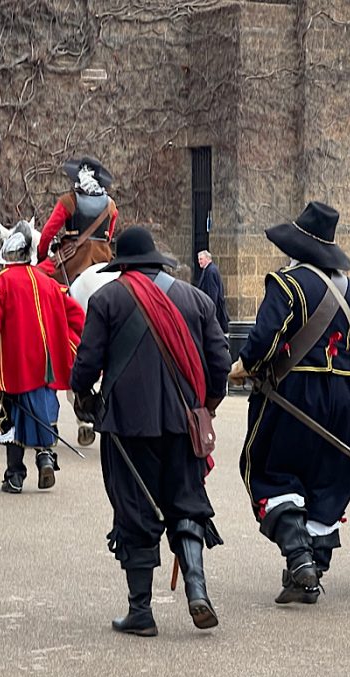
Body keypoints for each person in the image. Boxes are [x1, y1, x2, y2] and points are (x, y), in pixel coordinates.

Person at [71, 226, 231, 636]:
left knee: (135, 510)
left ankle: (141, 612)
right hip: (183, 424)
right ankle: (197, 591)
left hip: (127, 426)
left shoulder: (107, 298)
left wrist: (86, 399)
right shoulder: (195, 299)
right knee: (187, 502)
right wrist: (203, 409)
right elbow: (219, 365)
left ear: (123, 265)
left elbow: (86, 366)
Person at [229, 201, 350, 604]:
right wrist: (349, 386)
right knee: (328, 477)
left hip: (295, 393)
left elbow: (263, 341)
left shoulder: (288, 284)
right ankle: (311, 570)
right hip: (343, 399)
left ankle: (298, 558)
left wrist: (247, 366)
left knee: (271, 469)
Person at [0, 221, 85, 494]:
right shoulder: (49, 283)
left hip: (13, 365)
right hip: (46, 364)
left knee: (10, 416)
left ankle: (15, 475)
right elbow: (77, 317)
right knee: (45, 409)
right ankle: (45, 457)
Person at [36, 156, 118, 284]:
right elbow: (108, 236)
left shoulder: (69, 200)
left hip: (74, 258)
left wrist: (41, 255)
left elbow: (47, 232)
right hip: (103, 257)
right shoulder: (111, 205)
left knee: (35, 276)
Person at [196, 250, 229, 333]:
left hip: (213, 311)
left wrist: (210, 310)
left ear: (207, 259)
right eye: (199, 259)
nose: (199, 261)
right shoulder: (210, 270)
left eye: (201, 259)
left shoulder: (210, 271)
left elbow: (213, 293)